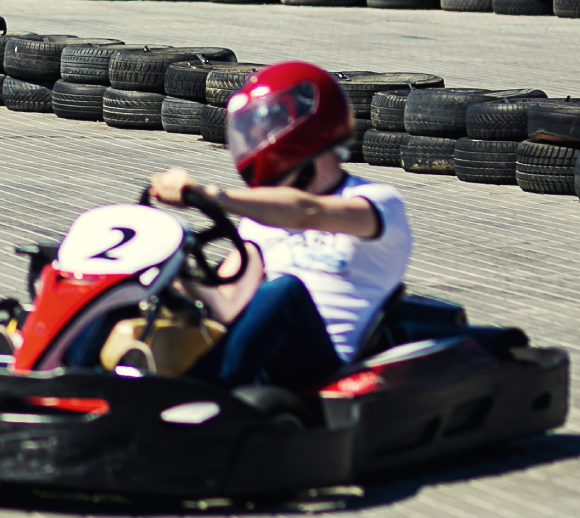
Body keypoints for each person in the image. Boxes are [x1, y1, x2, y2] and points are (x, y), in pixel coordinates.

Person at [146, 61, 412, 393]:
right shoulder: (262, 219)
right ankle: (77, 382)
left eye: (263, 128)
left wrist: (212, 196)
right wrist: (174, 274)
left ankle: (195, 395)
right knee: (134, 283)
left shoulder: (378, 202)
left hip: (328, 365)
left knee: (285, 290)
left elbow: (308, 212)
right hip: (268, 356)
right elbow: (228, 304)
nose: (254, 140)